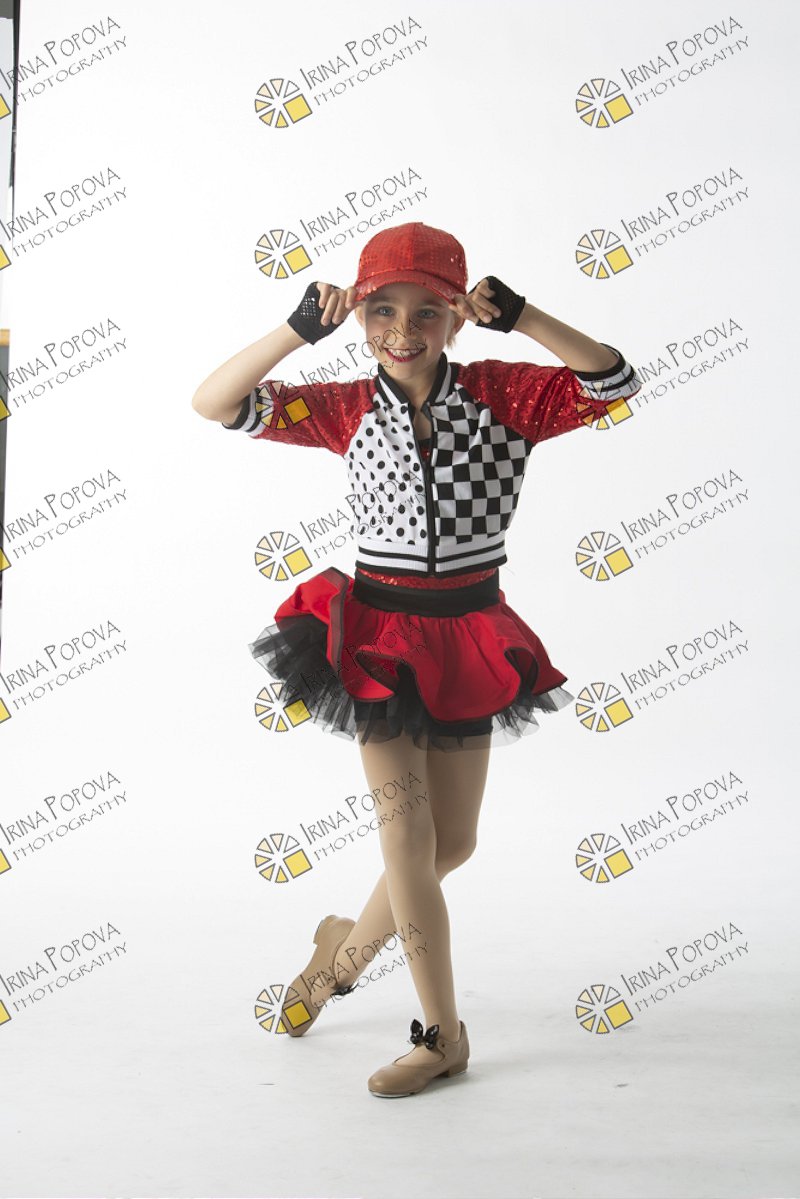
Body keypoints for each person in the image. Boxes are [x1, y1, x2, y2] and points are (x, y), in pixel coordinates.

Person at [192, 222, 641, 1097]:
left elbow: (614, 383)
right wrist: (297, 329)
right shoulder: (344, 408)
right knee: (407, 834)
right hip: (380, 638)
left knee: (452, 842)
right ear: (359, 315)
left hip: (468, 631)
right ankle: (442, 1036)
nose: (402, 330)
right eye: (382, 310)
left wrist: (526, 316)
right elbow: (215, 402)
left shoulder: (506, 395)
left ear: (459, 316)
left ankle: (338, 958)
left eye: (427, 311)